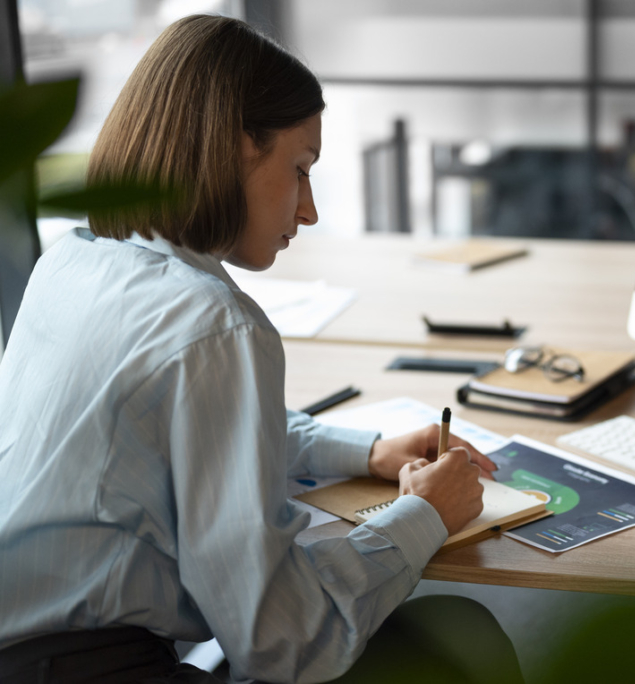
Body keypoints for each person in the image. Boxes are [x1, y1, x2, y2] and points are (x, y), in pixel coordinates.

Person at [0, 14, 523, 684]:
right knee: (459, 639)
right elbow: (284, 643)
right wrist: (423, 516)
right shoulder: (214, 325)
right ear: (237, 147)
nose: (307, 210)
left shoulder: (74, 259)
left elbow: (188, 433)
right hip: (90, 671)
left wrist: (365, 451)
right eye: (300, 170)